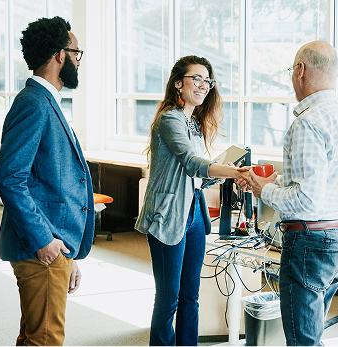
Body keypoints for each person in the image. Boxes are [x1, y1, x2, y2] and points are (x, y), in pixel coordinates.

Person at [248, 41, 338, 346]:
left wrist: (266, 189)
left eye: (292, 70)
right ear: (336, 72)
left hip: (309, 243)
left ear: (300, 71)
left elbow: (307, 201)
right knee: (311, 334)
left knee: (303, 341)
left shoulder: (308, 123)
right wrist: (282, 184)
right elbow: (330, 186)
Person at [135, 55, 250, 346]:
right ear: (177, 83)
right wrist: (230, 169)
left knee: (191, 295)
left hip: (195, 215)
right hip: (169, 214)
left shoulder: (193, 124)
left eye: (207, 81)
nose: (203, 85)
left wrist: (225, 172)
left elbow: (198, 175)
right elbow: (190, 162)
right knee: (169, 297)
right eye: (196, 79)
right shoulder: (170, 119)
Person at [0, 17, 92, 346]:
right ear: (59, 56)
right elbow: (10, 178)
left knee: (35, 337)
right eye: (76, 53)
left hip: (55, 245)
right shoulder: (34, 104)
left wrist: (69, 255)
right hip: (41, 246)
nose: (79, 61)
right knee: (45, 340)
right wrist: (45, 242)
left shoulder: (44, 101)